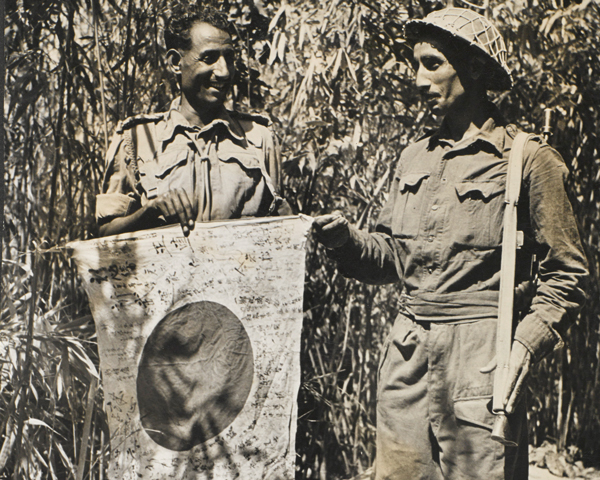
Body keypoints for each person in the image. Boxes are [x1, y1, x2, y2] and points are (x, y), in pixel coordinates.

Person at [313, 7, 588, 480]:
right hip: (406, 358)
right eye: (414, 63)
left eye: (432, 63)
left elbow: (568, 274)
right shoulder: (413, 156)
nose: (418, 78)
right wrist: (344, 241)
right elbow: (393, 261)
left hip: (481, 360)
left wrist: (524, 345)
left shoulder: (527, 158)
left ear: (475, 67)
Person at [96, 2, 289, 237]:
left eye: (229, 57)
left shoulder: (259, 137)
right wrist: (148, 212)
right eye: (209, 58)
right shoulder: (137, 139)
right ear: (176, 62)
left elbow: (283, 230)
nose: (224, 71)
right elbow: (105, 234)